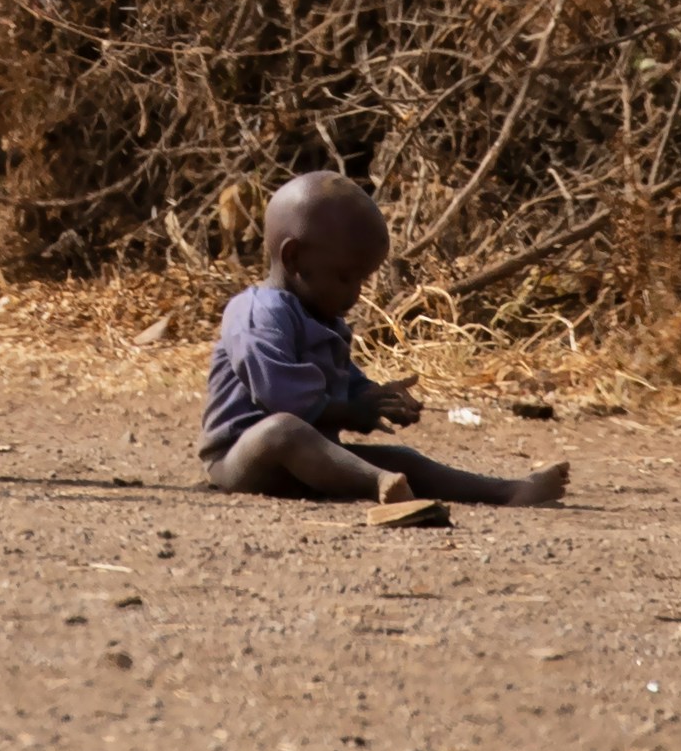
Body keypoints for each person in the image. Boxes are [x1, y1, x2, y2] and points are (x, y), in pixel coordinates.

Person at [201, 172, 569, 505]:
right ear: (294, 257)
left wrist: (374, 399)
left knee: (404, 459)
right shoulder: (256, 313)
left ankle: (509, 491)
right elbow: (284, 397)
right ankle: (377, 483)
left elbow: (342, 379)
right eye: (346, 278)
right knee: (283, 430)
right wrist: (352, 410)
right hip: (243, 461)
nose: (355, 294)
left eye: (363, 280)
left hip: (308, 462)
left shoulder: (322, 315)